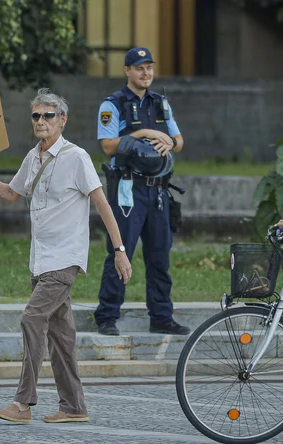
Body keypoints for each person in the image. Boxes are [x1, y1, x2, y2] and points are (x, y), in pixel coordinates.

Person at [0, 88, 132, 424]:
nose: (41, 121)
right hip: (40, 260)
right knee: (61, 337)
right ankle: (74, 407)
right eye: (36, 116)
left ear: (62, 120)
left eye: (48, 115)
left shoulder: (76, 157)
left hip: (64, 260)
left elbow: (102, 204)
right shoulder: (33, 157)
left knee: (32, 318)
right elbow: (10, 194)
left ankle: (23, 403)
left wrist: (119, 251)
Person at [94, 47, 189, 336]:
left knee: (160, 256)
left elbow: (179, 140)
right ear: (127, 71)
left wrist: (170, 144)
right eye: (139, 68)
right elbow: (108, 146)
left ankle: (161, 317)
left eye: (149, 67)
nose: (145, 73)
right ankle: (107, 316)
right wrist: (143, 133)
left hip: (158, 191)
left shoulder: (161, 103)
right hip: (127, 189)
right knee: (120, 252)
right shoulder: (112, 104)